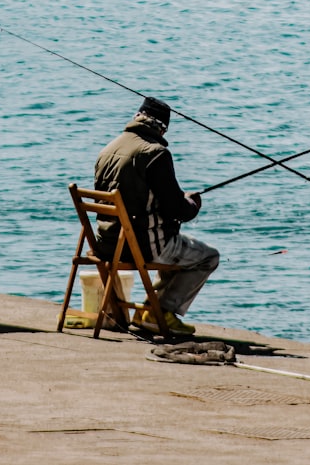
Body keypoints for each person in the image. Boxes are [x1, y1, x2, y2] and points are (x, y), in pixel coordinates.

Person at [93, 97, 220, 336]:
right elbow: (177, 210)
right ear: (161, 128)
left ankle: (150, 311)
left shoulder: (107, 150)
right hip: (140, 246)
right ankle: (161, 311)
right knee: (208, 256)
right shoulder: (156, 154)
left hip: (107, 243)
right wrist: (192, 203)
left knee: (179, 247)